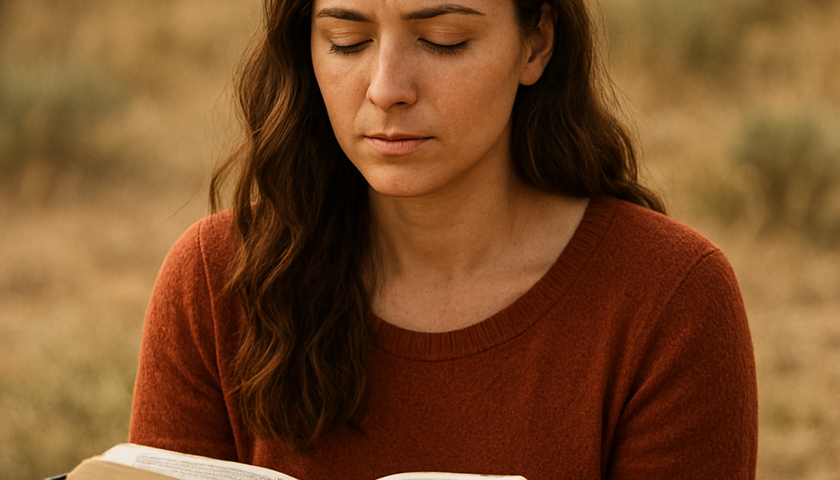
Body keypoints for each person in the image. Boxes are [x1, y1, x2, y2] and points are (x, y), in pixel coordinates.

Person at [129, 0, 758, 477]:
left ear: (535, 45)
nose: (386, 89)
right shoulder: (217, 277)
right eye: (348, 42)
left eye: (443, 41)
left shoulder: (670, 295)